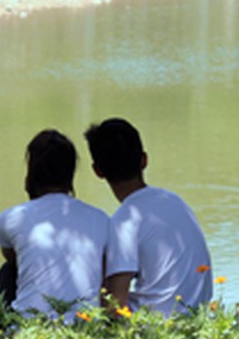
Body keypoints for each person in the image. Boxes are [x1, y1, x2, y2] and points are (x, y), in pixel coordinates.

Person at [84, 118, 213, 316]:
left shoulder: (124, 222)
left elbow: (115, 307)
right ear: (144, 160)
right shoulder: (175, 201)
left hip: (157, 330)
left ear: (97, 171)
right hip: (197, 319)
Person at [0, 129, 110, 321]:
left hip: (30, 329)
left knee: (7, 271)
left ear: (32, 171)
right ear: (71, 173)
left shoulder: (12, 218)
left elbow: (12, 259)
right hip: (86, 327)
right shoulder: (101, 219)